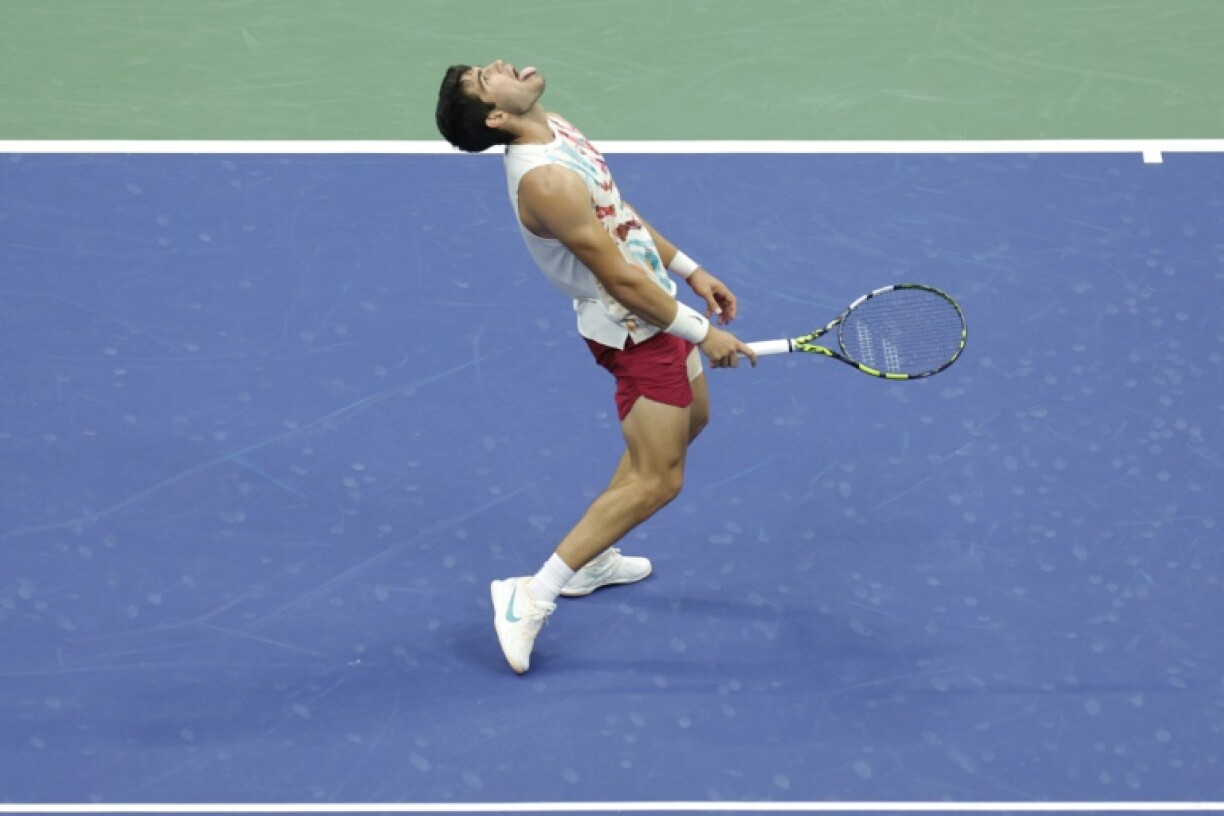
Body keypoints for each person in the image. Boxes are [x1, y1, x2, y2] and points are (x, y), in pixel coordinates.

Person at [435, 59, 756, 674]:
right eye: (485, 78)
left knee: (691, 423)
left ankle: (593, 554)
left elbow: (617, 211)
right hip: (635, 326)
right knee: (660, 479)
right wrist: (700, 330)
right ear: (497, 116)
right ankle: (533, 594)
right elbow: (616, 278)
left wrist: (690, 270)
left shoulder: (556, 126)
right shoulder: (544, 183)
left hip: (655, 301)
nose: (497, 65)